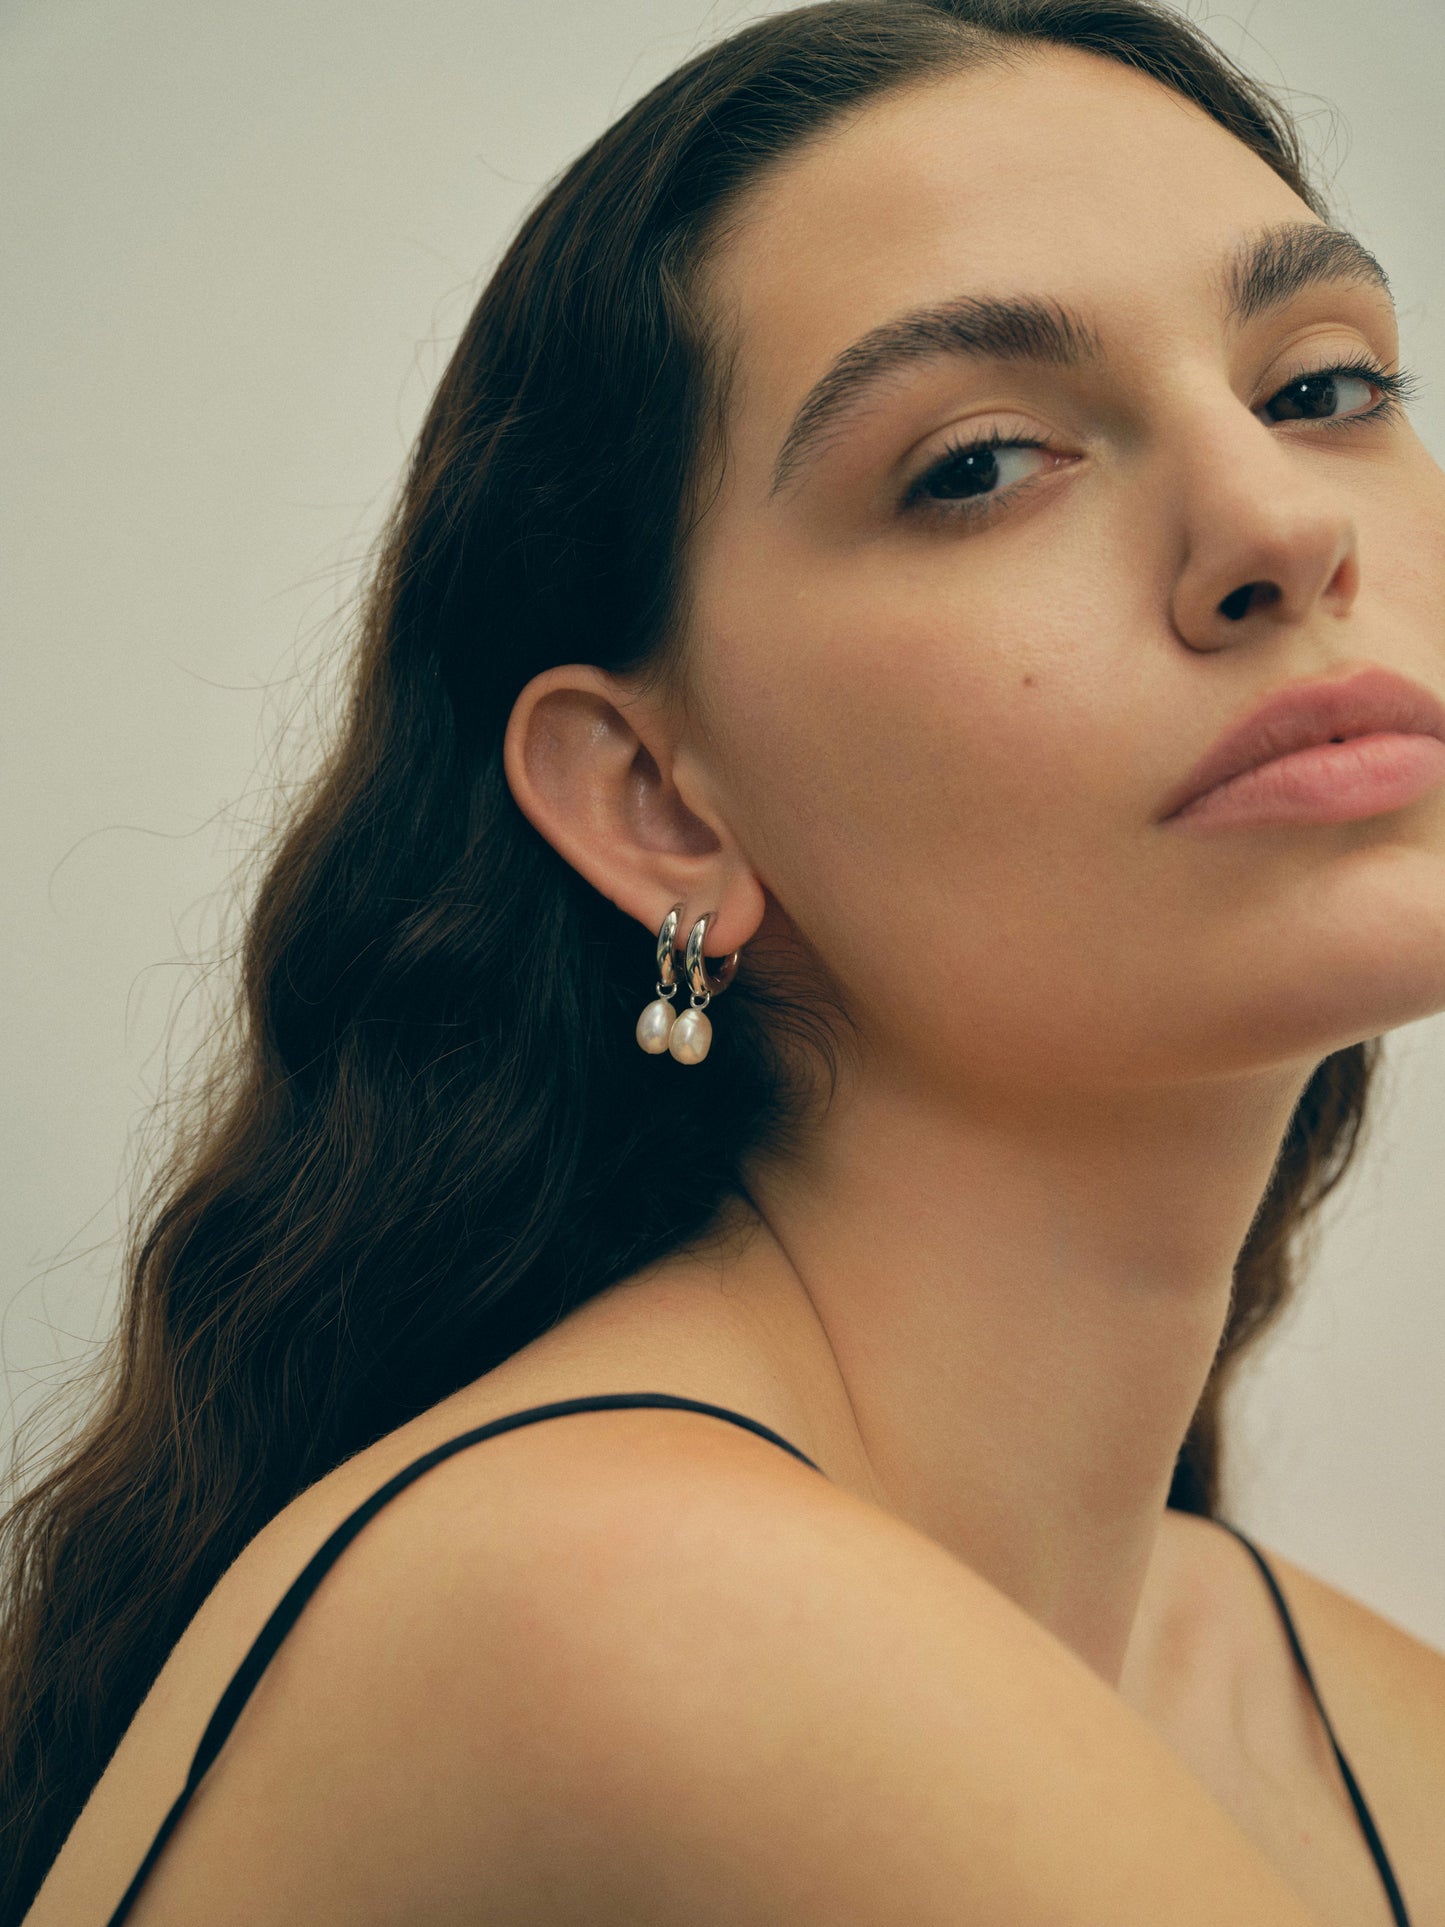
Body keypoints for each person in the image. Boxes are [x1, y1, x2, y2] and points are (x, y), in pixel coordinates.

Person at [6, 1, 1444, 1921]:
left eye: (1325, 386)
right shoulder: (626, 1610)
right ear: (656, 804)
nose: (1277, 522)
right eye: (981, 461)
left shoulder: (1340, 1707)